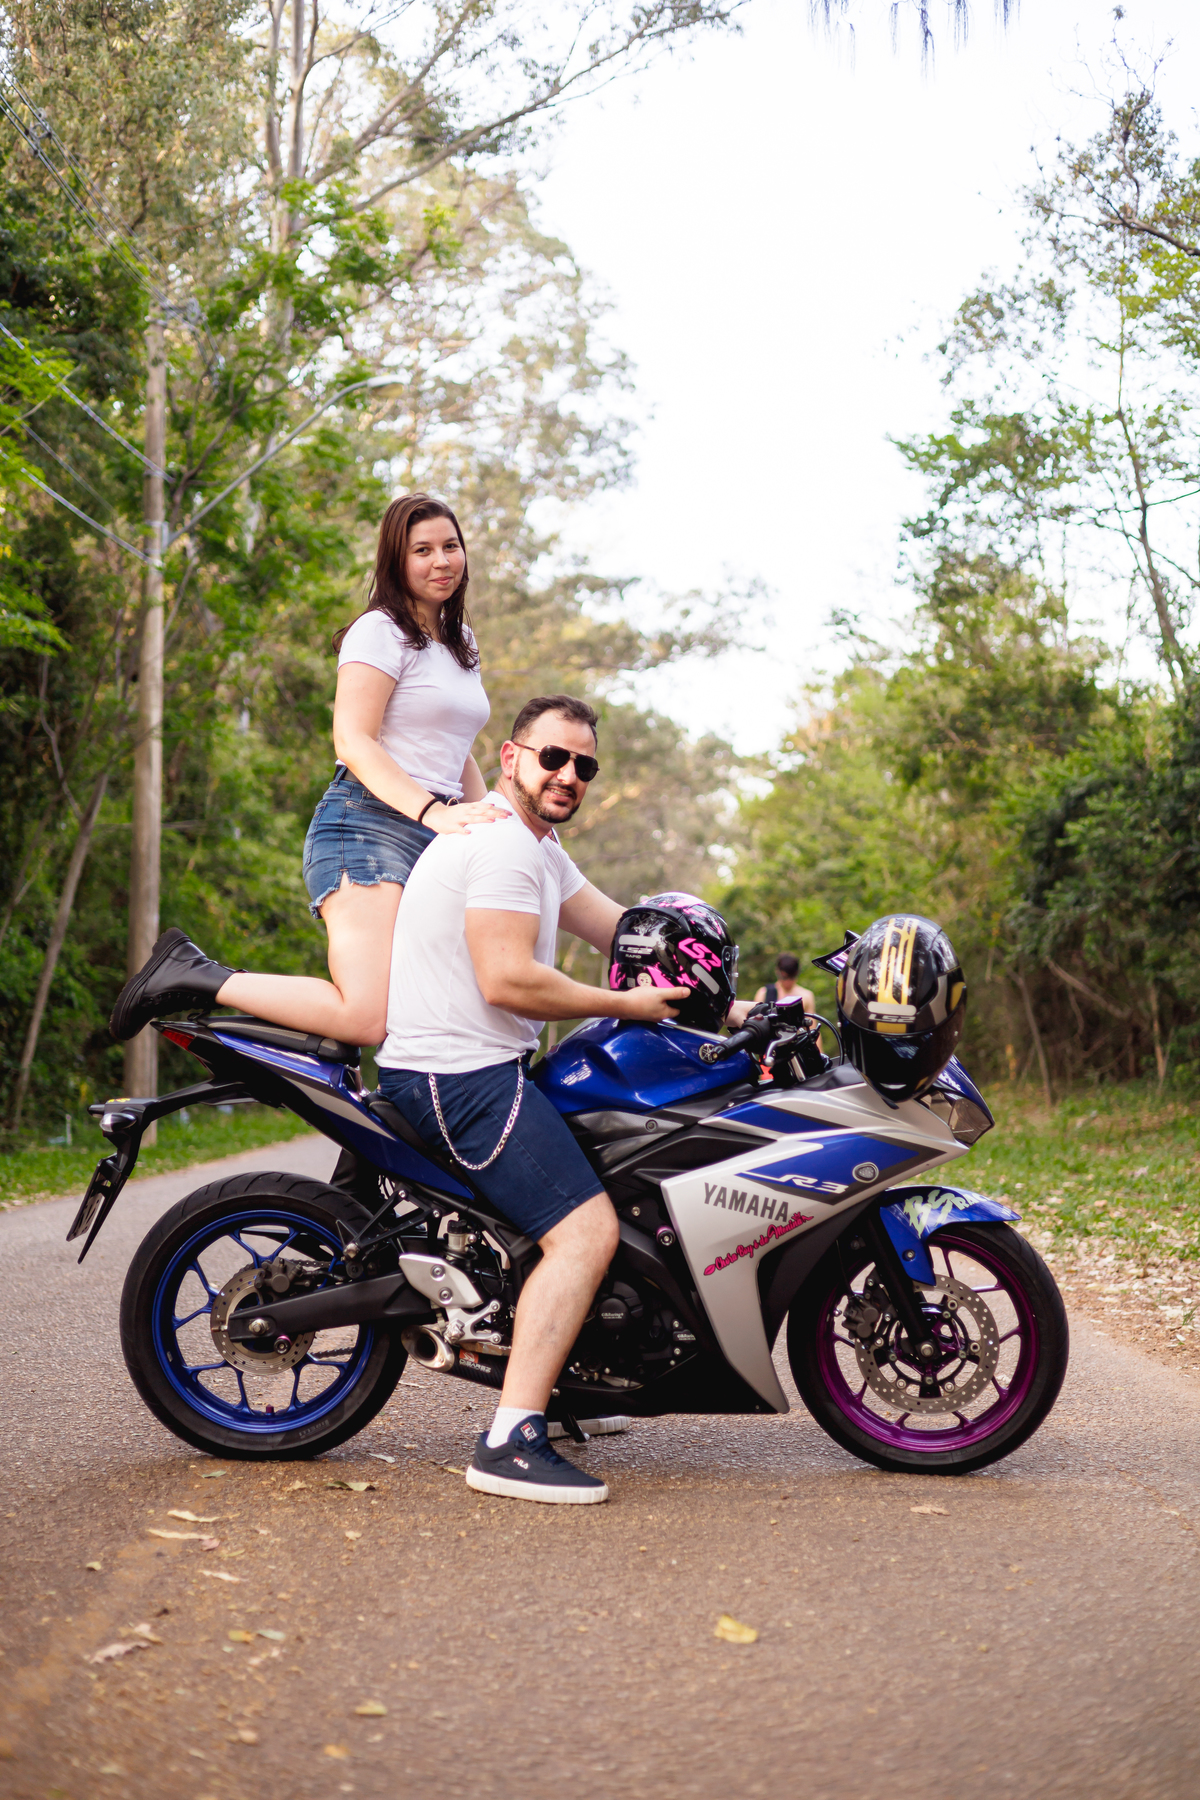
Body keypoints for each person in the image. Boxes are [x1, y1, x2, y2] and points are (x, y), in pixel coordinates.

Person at [377, 693, 751, 1506]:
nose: (569, 775)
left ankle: (567, 1381)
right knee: (585, 1233)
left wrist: (738, 1008)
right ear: (511, 758)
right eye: (553, 757)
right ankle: (510, 1439)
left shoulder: (538, 850)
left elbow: (622, 932)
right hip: (456, 1076)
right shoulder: (506, 845)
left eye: (584, 765)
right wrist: (629, 1006)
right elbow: (506, 979)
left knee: (610, 1180)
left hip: (480, 1067)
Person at [109, 494, 503, 1046]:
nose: (442, 561)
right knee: (366, 1016)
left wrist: (492, 821)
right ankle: (193, 974)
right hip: (367, 828)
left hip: (433, 836)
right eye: (423, 550)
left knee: (431, 1003)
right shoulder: (380, 630)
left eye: (451, 546)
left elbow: (455, 746)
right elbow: (353, 739)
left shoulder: (461, 642)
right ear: (396, 560)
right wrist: (433, 812)